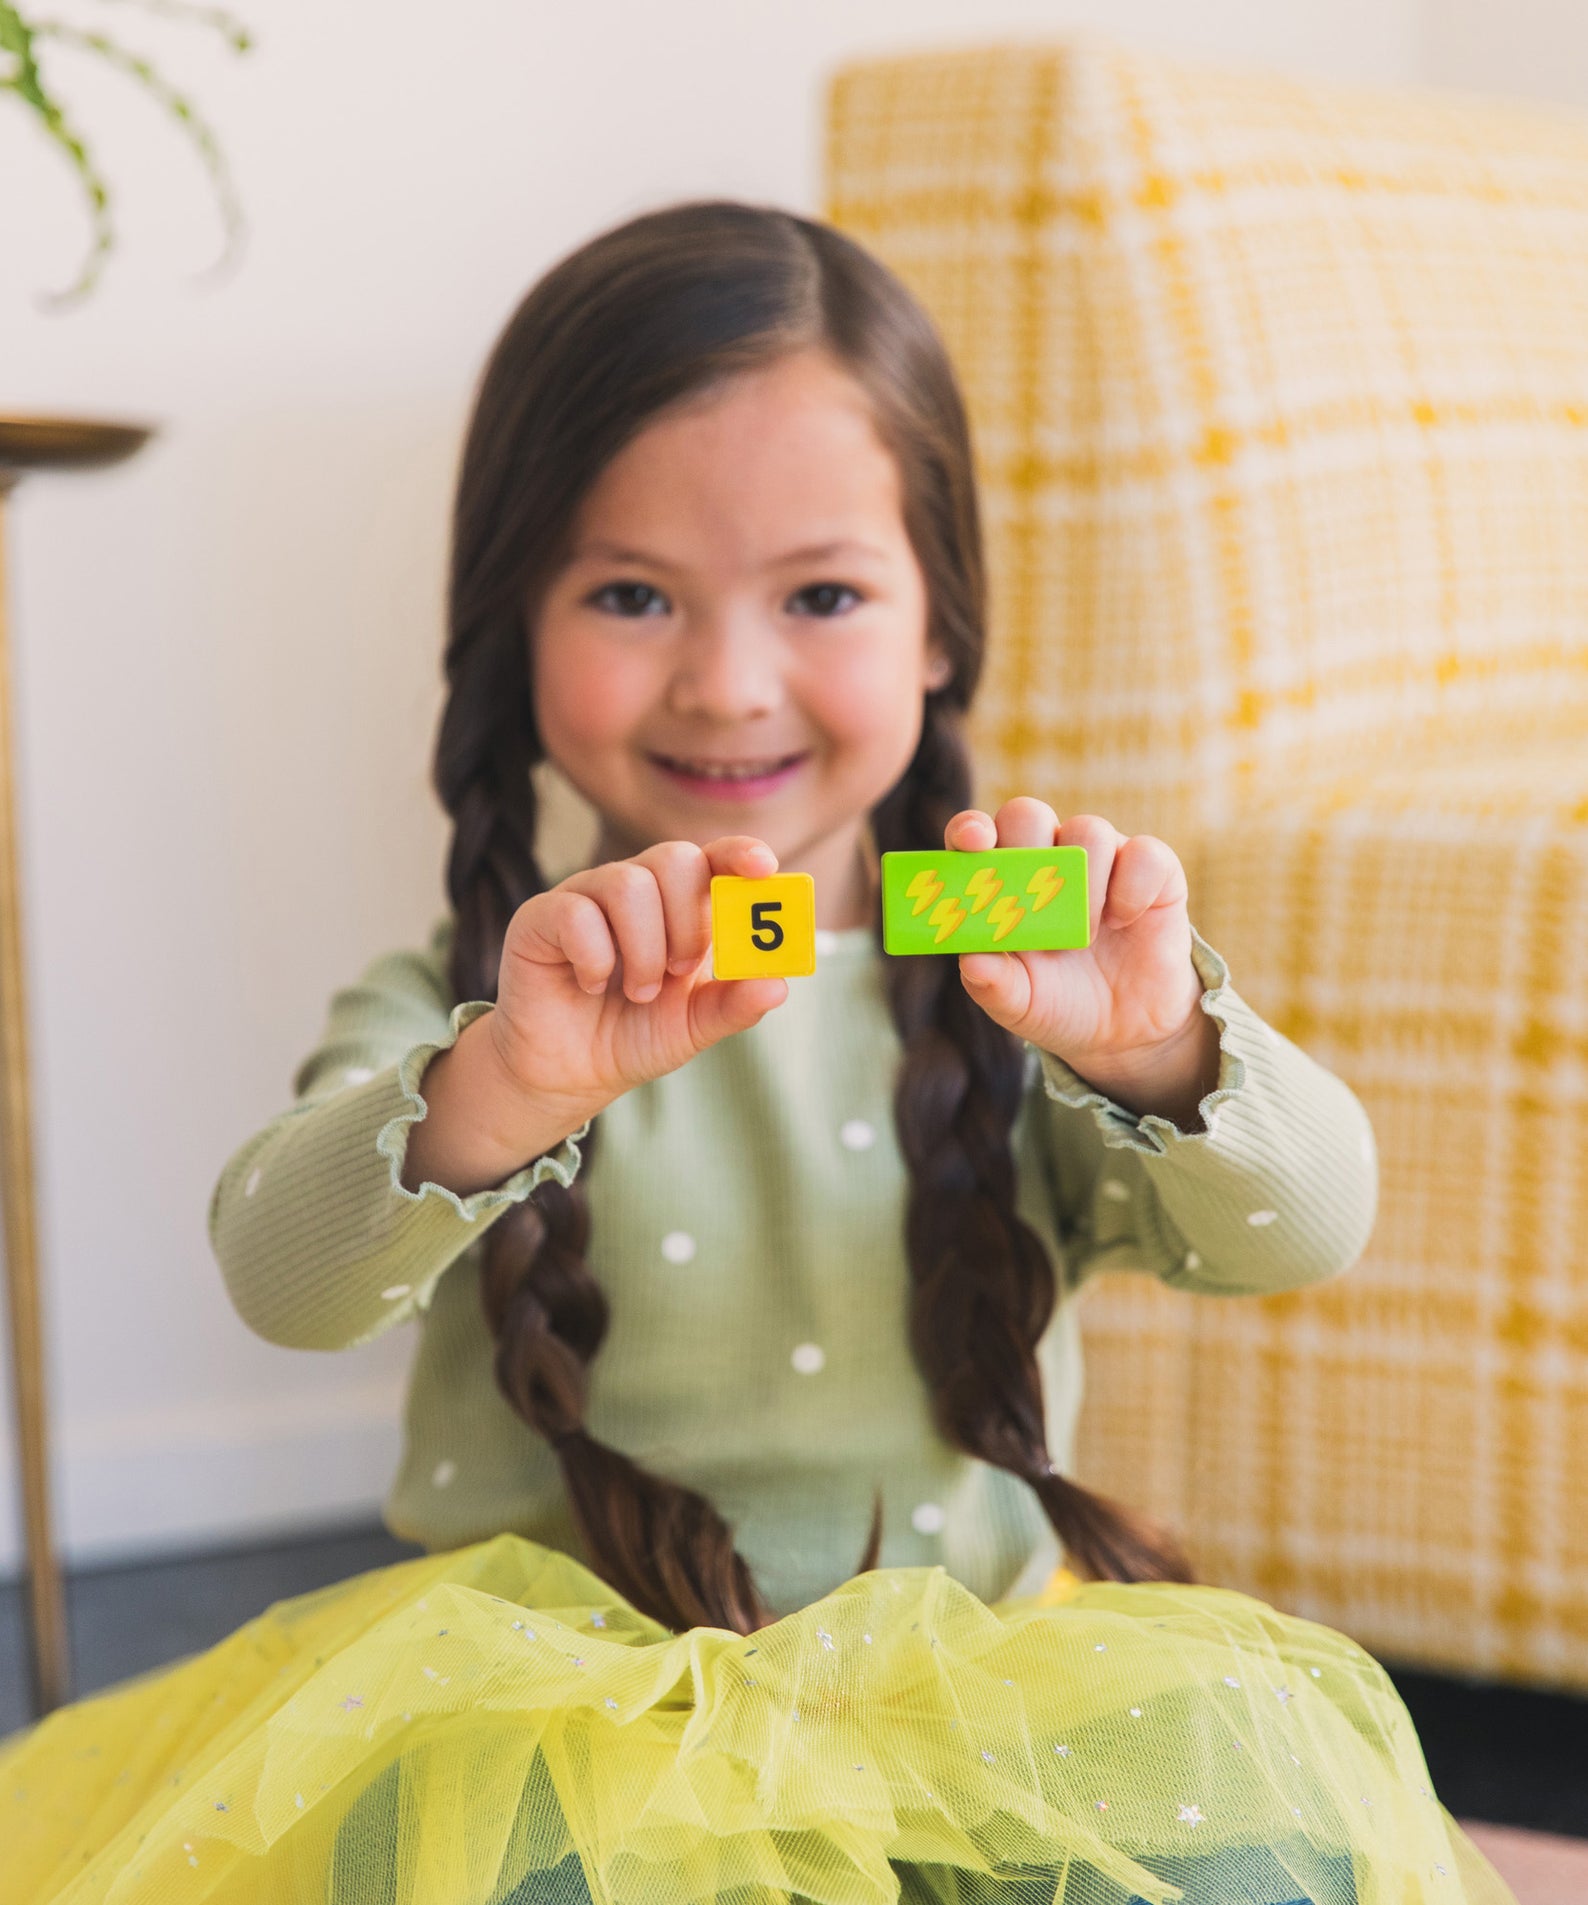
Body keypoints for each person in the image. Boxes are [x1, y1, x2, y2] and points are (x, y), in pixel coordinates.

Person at [0, 201, 1515, 1905]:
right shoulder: (471, 998)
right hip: (547, 1725)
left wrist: (1163, 1049)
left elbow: (1307, 1228)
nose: (728, 684)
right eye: (635, 592)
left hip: (987, 1693)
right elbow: (282, 1277)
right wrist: (507, 1084)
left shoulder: (1027, 982)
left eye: (823, 593)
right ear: (516, 626)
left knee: (1258, 1862)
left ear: (940, 628)